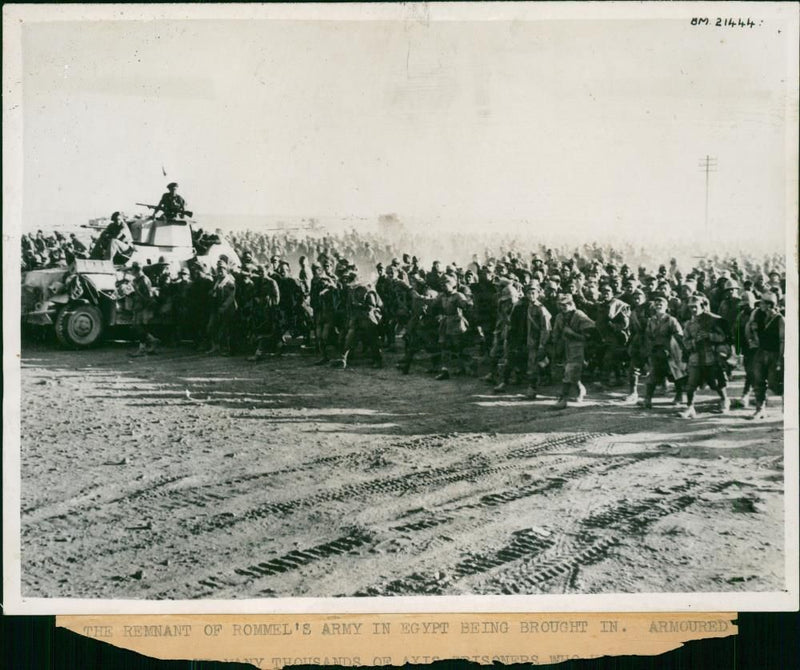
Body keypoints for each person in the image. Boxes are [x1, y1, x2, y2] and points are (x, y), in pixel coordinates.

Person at [679, 294, 730, 418]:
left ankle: (724, 400)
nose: (693, 310)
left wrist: (709, 336)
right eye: (691, 307)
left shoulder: (713, 320)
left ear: (702, 306)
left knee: (716, 382)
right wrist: (693, 342)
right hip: (696, 357)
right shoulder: (689, 324)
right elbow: (685, 341)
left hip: (711, 356)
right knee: (691, 383)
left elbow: (724, 337)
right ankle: (690, 407)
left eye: (695, 307)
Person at [640, 293, 686, 409]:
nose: (658, 305)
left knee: (676, 375)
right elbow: (648, 336)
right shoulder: (651, 320)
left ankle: (679, 396)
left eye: (661, 304)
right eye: (656, 304)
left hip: (670, 352)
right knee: (653, 374)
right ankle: (648, 399)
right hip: (656, 352)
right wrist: (649, 350)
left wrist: (671, 348)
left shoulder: (671, 320)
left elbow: (679, 335)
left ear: (666, 307)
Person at [551, 293, 595, 409]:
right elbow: (556, 333)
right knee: (570, 372)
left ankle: (563, 399)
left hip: (578, 347)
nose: (563, 307)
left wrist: (573, 334)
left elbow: (589, 333)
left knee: (570, 371)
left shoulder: (579, 315)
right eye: (561, 305)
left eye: (565, 304)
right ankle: (580, 389)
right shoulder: (559, 317)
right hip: (565, 348)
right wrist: (555, 346)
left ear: (571, 304)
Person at [746, 292, 784, 420]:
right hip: (761, 352)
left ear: (769, 305)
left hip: (774, 354)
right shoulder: (758, 315)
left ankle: (788, 404)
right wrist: (753, 337)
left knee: (774, 383)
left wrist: (780, 359)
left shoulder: (779, 319)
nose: (760, 305)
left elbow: (782, 341)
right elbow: (749, 329)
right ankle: (760, 409)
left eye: (762, 303)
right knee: (758, 381)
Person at [128, 262, 159, 357]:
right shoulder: (137, 280)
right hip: (138, 306)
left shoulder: (144, 280)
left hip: (143, 307)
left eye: (132, 269)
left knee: (139, 327)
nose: (131, 271)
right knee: (137, 327)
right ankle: (152, 342)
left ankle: (145, 347)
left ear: (136, 270)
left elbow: (148, 296)